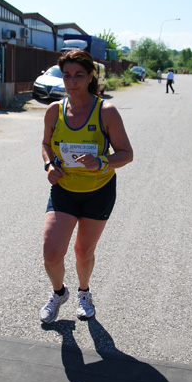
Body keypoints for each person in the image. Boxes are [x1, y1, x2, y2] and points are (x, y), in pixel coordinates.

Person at [40, 49, 133, 323]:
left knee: (83, 251)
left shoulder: (106, 111)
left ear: (91, 75)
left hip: (98, 192)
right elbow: (46, 144)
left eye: (79, 75)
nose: (72, 81)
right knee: (51, 251)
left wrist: (101, 162)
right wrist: (49, 165)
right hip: (64, 189)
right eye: (66, 75)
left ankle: (84, 292)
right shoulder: (54, 111)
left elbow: (126, 154)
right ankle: (59, 293)